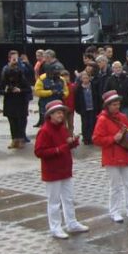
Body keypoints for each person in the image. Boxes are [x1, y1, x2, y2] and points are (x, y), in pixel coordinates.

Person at [33, 101, 89, 240]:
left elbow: (65, 145)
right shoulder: (44, 130)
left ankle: (71, 223)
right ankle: (55, 227)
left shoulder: (63, 128)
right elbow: (39, 151)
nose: (61, 115)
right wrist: (60, 149)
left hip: (65, 169)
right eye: (58, 112)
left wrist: (73, 143)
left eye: (62, 112)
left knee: (68, 198)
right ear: (50, 115)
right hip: (52, 172)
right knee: (54, 202)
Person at [92, 90, 128, 223]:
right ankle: (114, 211)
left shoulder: (122, 117)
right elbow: (96, 139)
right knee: (115, 186)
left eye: (118, 104)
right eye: (114, 104)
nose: (117, 106)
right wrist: (113, 138)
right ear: (107, 105)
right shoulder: (102, 120)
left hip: (125, 155)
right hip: (112, 157)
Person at [0, 50, 31, 149]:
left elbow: (28, 89)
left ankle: (21, 139)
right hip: (10, 102)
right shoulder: (5, 73)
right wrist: (7, 90)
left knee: (21, 121)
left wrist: (20, 90)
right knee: (12, 122)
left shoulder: (22, 76)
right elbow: (1, 89)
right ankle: (14, 140)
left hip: (21, 102)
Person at [73, 71, 98, 145]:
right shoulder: (78, 88)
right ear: (81, 79)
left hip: (93, 108)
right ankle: (86, 138)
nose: (85, 79)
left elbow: (97, 97)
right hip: (84, 109)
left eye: (87, 78)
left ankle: (92, 137)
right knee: (85, 124)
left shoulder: (93, 86)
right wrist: (78, 109)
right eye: (84, 78)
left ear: (89, 78)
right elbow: (76, 100)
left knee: (92, 123)